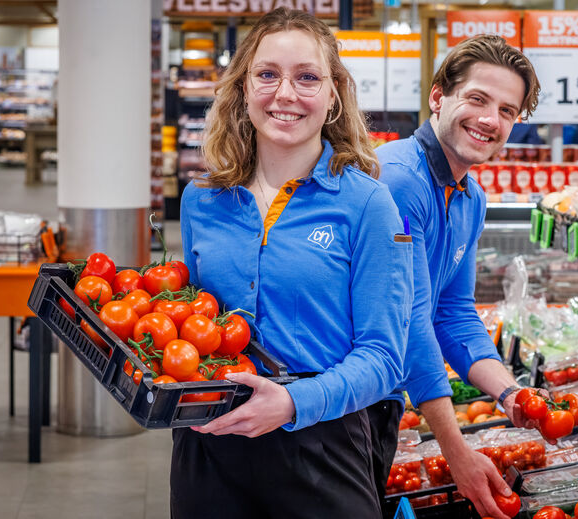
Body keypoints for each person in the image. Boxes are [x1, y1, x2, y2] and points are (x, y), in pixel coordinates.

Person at [174, 8, 412, 518]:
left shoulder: (368, 205)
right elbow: (190, 330)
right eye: (267, 75)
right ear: (242, 89)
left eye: (307, 77)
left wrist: (293, 404)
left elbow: (385, 356)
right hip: (209, 450)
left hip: (321, 449)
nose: (285, 94)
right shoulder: (201, 201)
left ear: (333, 95)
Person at [374, 35, 542, 519]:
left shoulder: (471, 195)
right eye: (477, 99)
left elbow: (452, 312)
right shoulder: (400, 179)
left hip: (384, 401)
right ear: (437, 96)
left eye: (507, 111)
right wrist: (456, 450)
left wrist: (510, 393)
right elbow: (409, 320)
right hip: (342, 407)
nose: (491, 120)